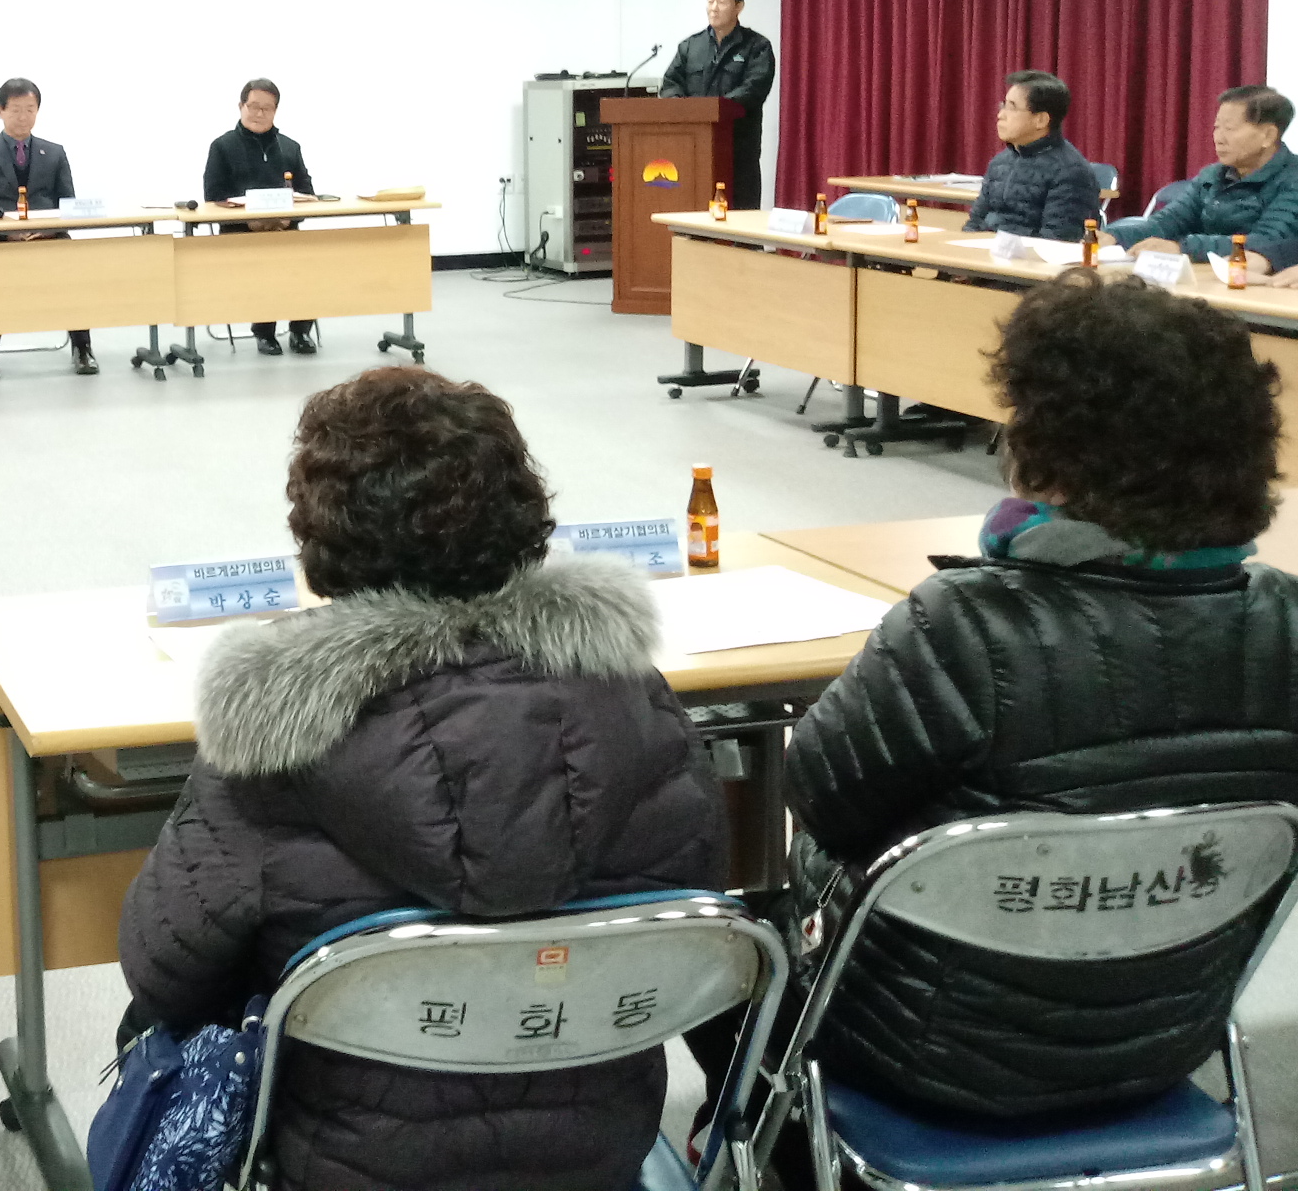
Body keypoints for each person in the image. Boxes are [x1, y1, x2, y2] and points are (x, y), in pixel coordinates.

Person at [691, 272, 1298, 1152]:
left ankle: (762, 1141)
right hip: (1164, 1035)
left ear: (1046, 448)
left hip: (926, 1050)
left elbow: (818, 800)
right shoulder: (1284, 620)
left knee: (728, 932)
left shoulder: (964, 626)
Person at [119, 368, 724, 1191]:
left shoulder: (269, 743)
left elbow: (163, 974)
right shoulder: (637, 704)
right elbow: (698, 918)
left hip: (338, 1167)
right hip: (597, 1157)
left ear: (320, 541)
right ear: (520, 515)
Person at [0, 77, 97, 379]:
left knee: (76, 270)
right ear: (0, 111)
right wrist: (5, 231)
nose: (23, 117)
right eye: (16, 110)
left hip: (48, 237)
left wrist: (46, 229)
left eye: (30, 110)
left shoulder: (55, 152)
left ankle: (82, 348)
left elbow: (69, 204)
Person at [1115, 84, 1298, 276]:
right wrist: (1113, 236)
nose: (1219, 138)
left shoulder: (1292, 179)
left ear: (1268, 136)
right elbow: (1168, 221)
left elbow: (1266, 242)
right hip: (1206, 276)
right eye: (1217, 127)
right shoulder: (1212, 176)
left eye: (1230, 129)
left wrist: (1183, 247)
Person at [200, 77, 320, 356]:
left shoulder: (289, 147)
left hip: (284, 231)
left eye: (267, 108)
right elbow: (213, 197)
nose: (259, 113)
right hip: (240, 234)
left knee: (311, 262)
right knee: (265, 266)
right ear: (241, 106)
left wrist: (289, 219)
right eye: (253, 106)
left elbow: (307, 193)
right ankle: (264, 333)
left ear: (276, 111)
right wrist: (249, 221)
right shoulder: (222, 146)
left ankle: (300, 331)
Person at [660, 0, 775, 210]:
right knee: (695, 209)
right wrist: (682, 108)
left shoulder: (757, 46)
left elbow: (754, 88)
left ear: (739, 7)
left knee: (739, 214)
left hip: (737, 148)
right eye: (710, 1)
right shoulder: (691, 46)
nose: (713, 8)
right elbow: (671, 83)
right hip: (693, 146)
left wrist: (715, 110)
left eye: (721, 2)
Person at [963, 70, 1100, 242]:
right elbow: (975, 222)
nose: (1000, 115)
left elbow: (1058, 241)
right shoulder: (1000, 162)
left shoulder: (1071, 171)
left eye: (1012, 108)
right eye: (1003, 105)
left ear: (1041, 120)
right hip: (986, 251)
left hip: (1026, 256)